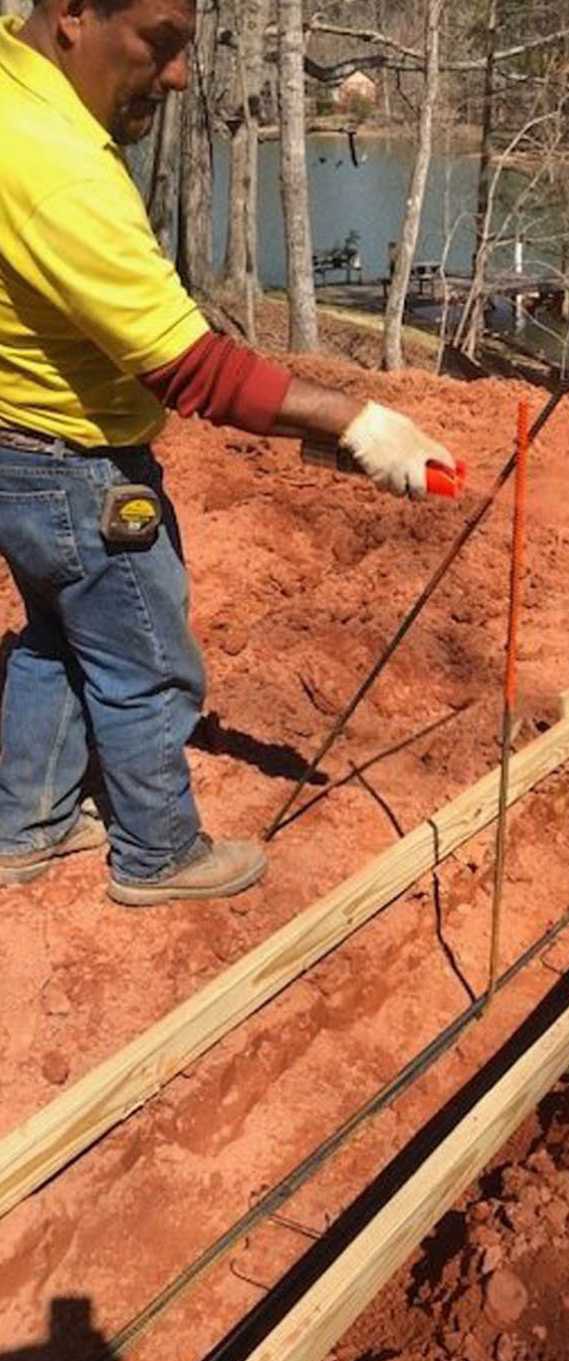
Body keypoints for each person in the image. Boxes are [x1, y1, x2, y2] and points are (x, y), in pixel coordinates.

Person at [0, 0, 455, 906]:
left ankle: (28, 821)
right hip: (82, 467)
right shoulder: (58, 171)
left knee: (59, 632)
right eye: (160, 44)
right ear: (74, 17)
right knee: (145, 662)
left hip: (18, 452)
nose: (176, 76)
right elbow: (194, 372)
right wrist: (359, 423)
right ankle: (159, 853)